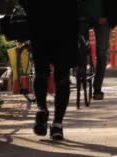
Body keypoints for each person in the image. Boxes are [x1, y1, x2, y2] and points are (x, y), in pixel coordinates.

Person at [18, 0, 77, 140]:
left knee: (41, 71)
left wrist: (28, 8)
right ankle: (57, 124)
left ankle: (42, 108)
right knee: (62, 76)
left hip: (39, 22)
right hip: (66, 23)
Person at [81, 0, 117, 100]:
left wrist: (107, 16)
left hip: (103, 17)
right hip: (83, 15)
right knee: (79, 46)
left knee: (101, 52)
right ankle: (79, 72)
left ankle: (97, 88)